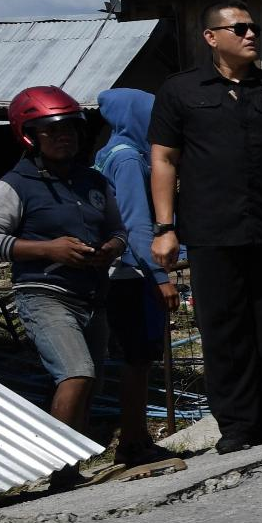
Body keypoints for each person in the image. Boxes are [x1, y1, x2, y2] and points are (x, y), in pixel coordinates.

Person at [148, 3, 262, 454]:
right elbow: (164, 159)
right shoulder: (180, 91)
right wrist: (164, 226)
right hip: (213, 230)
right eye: (240, 28)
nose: (251, 34)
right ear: (212, 37)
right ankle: (235, 425)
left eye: (253, 26)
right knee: (223, 328)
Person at [0, 87, 126, 432]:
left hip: (93, 295)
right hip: (44, 293)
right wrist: (49, 249)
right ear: (29, 136)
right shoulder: (14, 185)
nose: (65, 137)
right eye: (53, 130)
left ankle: (80, 463)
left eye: (71, 129)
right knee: (76, 373)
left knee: (91, 384)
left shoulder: (93, 181)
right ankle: (61, 468)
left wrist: (111, 248)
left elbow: (119, 230)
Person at [93, 89, 179, 462]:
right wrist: (161, 277)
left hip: (131, 270)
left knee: (140, 356)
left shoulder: (114, 153)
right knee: (137, 357)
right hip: (131, 273)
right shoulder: (128, 159)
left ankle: (137, 437)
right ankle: (131, 440)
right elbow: (136, 224)